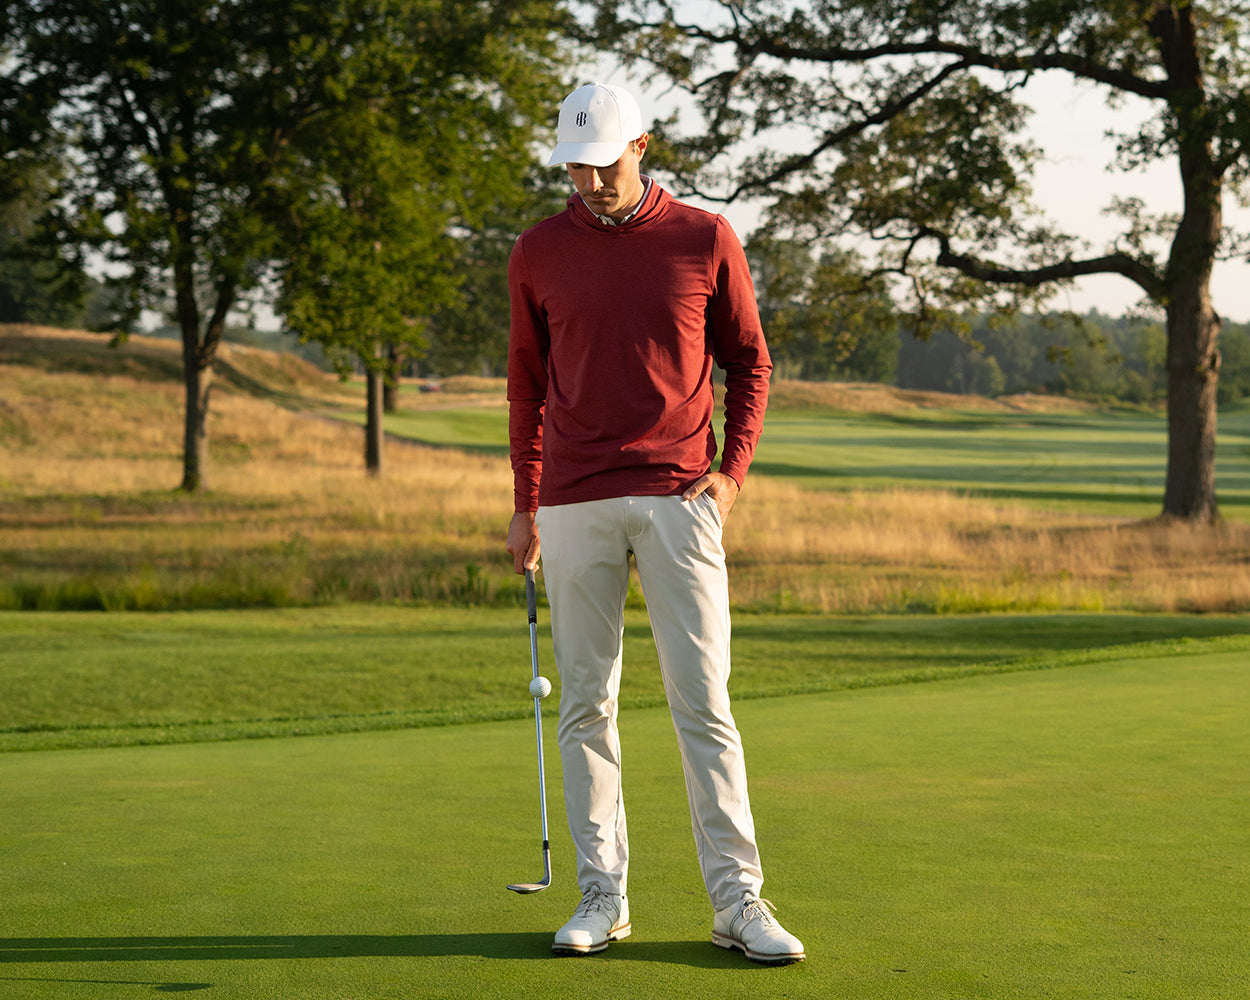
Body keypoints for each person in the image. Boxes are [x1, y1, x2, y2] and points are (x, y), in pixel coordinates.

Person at [505, 81, 804, 966]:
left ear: (642, 146)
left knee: (702, 703)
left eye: (604, 164)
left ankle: (737, 902)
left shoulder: (705, 237)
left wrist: (731, 477)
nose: (590, 182)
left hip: (680, 497)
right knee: (584, 705)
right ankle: (603, 895)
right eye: (575, 167)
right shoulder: (537, 251)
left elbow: (751, 363)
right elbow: (526, 383)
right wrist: (525, 500)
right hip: (572, 502)